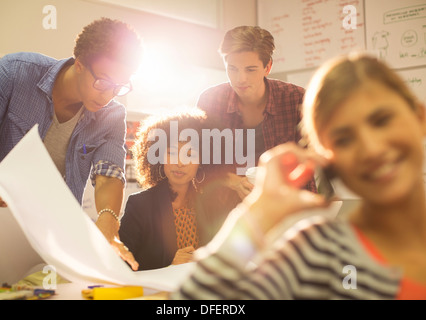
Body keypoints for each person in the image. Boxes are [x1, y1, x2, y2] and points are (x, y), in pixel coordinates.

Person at [171, 53, 426, 299]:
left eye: (382, 121)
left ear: (420, 117)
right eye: (344, 139)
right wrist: (257, 213)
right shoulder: (317, 252)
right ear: (326, 159)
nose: (371, 149)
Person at [0, 17, 143, 269]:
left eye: (118, 87)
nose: (108, 96)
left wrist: (108, 221)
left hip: (52, 240)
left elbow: (108, 174)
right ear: (79, 64)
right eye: (103, 83)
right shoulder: (14, 73)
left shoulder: (112, 116)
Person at [196, 25, 317, 200]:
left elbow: (313, 158)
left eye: (250, 69)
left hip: (289, 204)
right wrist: (232, 181)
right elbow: (198, 162)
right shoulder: (210, 101)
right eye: (233, 69)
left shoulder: (297, 99)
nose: (240, 79)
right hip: (226, 208)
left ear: (267, 67)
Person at [118, 108, 238, 271]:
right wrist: (170, 268)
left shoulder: (213, 204)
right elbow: (121, 266)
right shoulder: (140, 205)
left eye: (189, 154)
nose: (180, 162)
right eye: (172, 152)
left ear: (201, 160)